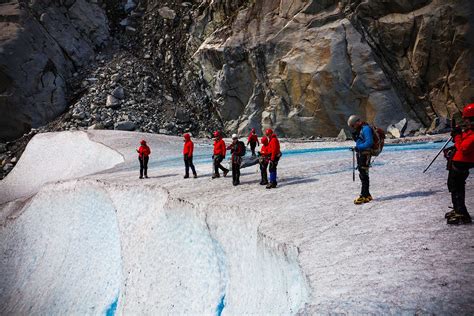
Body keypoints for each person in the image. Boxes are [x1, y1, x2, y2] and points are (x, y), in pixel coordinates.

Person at [445, 103, 474, 225]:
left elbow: (463, 148)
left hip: (461, 165)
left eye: (466, 119)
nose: (464, 121)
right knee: (454, 187)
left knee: (457, 188)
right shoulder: (470, 132)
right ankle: (457, 209)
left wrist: (457, 137)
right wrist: (458, 134)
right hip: (458, 164)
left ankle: (462, 213)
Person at [347, 115, 374, 204]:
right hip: (362, 154)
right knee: (363, 174)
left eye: (353, 125)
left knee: (363, 174)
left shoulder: (366, 129)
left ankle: (364, 195)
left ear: (357, 122)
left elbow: (369, 142)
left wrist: (358, 147)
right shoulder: (360, 129)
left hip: (365, 155)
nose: (353, 127)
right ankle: (367, 195)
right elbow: (361, 142)